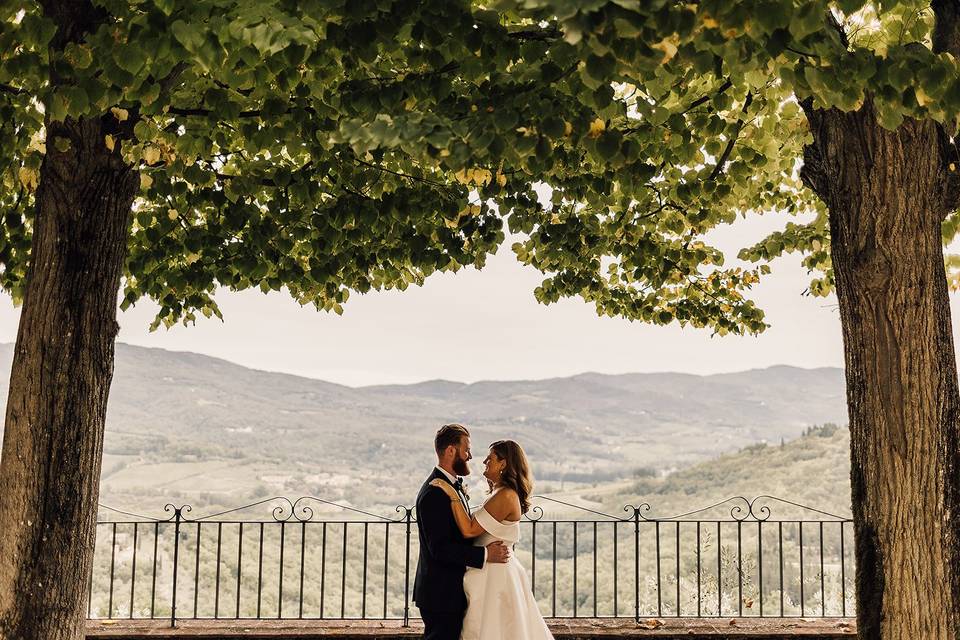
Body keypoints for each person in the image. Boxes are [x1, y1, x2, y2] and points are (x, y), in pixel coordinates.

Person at [429, 439, 554, 640]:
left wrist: (451, 493)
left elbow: (470, 530)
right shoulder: (499, 492)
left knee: (496, 630)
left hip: (496, 574)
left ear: (504, 463)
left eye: (491, 457)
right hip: (489, 570)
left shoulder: (506, 495)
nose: (485, 460)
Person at [414, 424, 512, 640]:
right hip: (441, 595)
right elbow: (439, 549)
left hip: (450, 592)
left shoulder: (450, 487)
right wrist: (486, 555)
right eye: (466, 449)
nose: (470, 456)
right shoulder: (434, 493)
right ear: (451, 451)